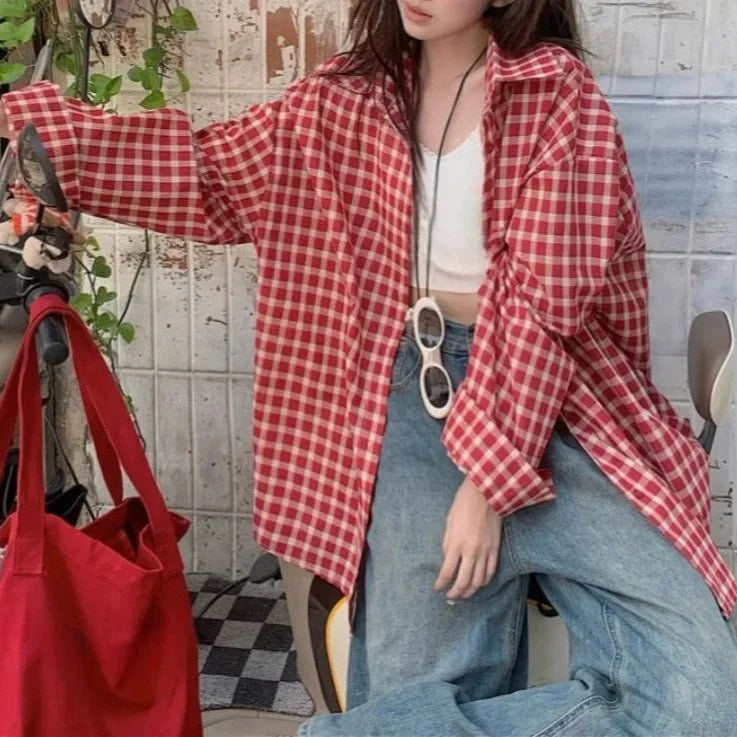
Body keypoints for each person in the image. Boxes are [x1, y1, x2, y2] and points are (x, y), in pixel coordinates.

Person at [2, 1, 737, 735]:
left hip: (559, 409)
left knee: (702, 702)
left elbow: (546, 307)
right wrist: (48, 143)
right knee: (419, 693)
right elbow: (212, 174)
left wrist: (487, 485)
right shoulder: (345, 96)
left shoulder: (557, 96)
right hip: (409, 396)